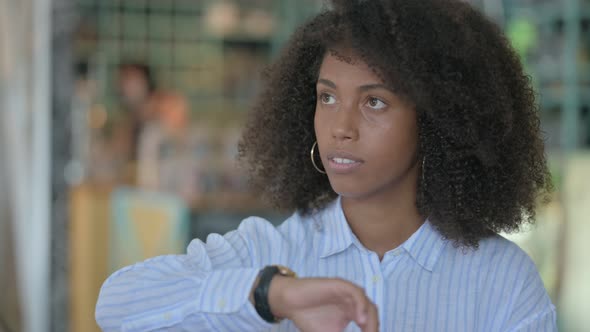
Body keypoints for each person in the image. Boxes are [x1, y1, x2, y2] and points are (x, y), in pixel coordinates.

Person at [95, 0, 556, 331]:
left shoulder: (501, 280)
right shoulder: (271, 251)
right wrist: (271, 295)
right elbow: (115, 306)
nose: (341, 126)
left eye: (374, 101)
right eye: (327, 97)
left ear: (438, 121)